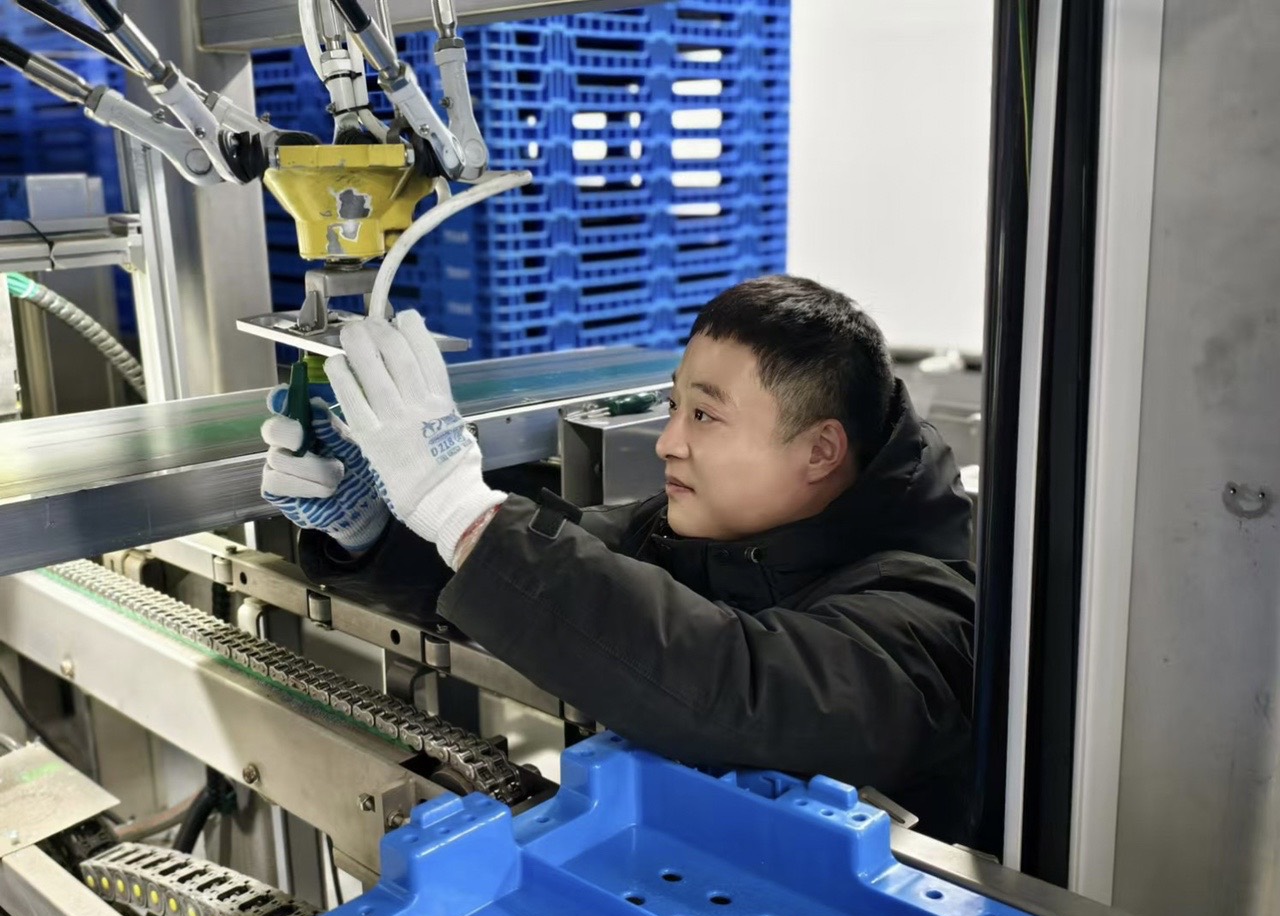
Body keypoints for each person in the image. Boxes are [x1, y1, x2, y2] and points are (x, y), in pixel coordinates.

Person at [260, 275, 976, 840]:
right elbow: (566, 571)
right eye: (674, 407)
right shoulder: (696, 534)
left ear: (820, 450)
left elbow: (737, 686)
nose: (668, 442)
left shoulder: (929, 611)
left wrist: (457, 505)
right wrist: (377, 528)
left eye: (704, 415)